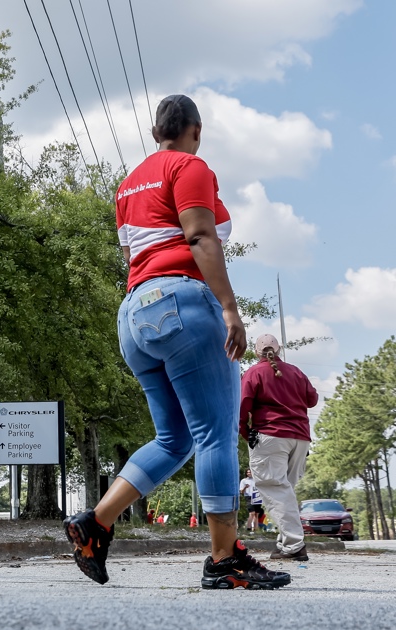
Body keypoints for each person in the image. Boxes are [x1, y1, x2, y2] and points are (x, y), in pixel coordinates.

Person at [63, 95, 290, 590]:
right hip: (182, 306)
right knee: (213, 433)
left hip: (134, 316)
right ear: (196, 129)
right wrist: (229, 308)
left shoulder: (128, 185)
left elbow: (132, 253)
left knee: (175, 439)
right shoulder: (190, 167)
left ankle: (95, 524)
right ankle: (224, 558)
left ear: (154, 132)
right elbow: (201, 236)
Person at [240, 333, 318, 561]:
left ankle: (294, 545)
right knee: (285, 490)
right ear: (279, 349)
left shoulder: (254, 372)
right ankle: (285, 544)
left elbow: (243, 404)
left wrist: (246, 432)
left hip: (271, 435)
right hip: (300, 438)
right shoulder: (296, 372)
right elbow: (312, 399)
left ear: (257, 352)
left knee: (275, 489)